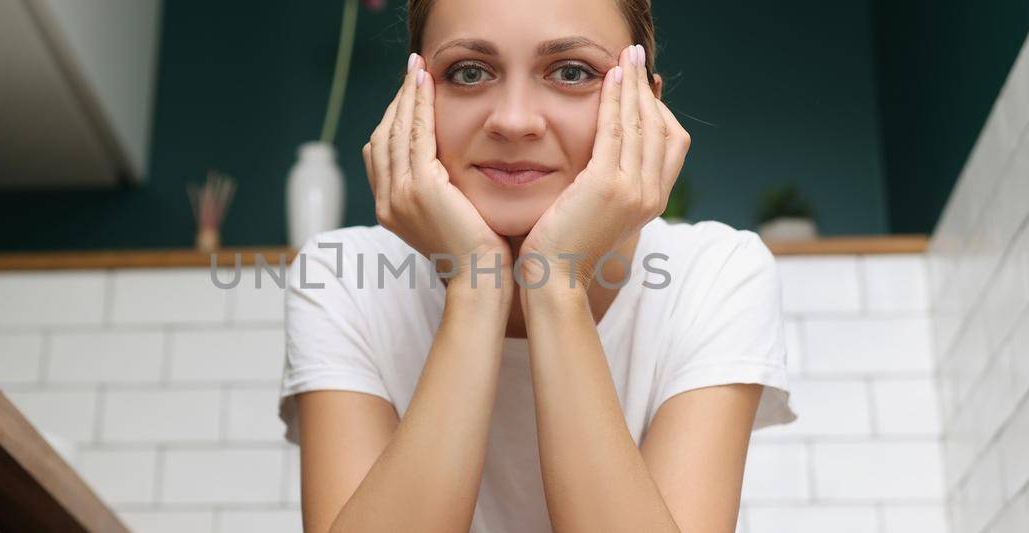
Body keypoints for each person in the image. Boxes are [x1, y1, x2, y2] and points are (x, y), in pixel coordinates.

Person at [276, 0, 796, 531]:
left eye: (572, 72)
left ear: (646, 106)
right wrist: (476, 285)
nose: (514, 121)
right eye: (469, 72)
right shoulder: (341, 276)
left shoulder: (717, 274)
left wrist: (558, 281)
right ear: (413, 100)